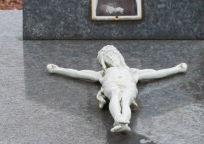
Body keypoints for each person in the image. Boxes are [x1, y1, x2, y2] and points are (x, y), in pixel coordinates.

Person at [47, 45, 186, 134]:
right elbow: (78, 73)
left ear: (119, 56)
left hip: (129, 85)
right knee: (115, 94)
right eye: (107, 58)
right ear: (104, 62)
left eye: (112, 56)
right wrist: (59, 69)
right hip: (111, 84)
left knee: (126, 100)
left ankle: (123, 122)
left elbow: (155, 73)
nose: (111, 59)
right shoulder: (102, 74)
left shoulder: (133, 72)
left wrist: (176, 69)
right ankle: (118, 118)